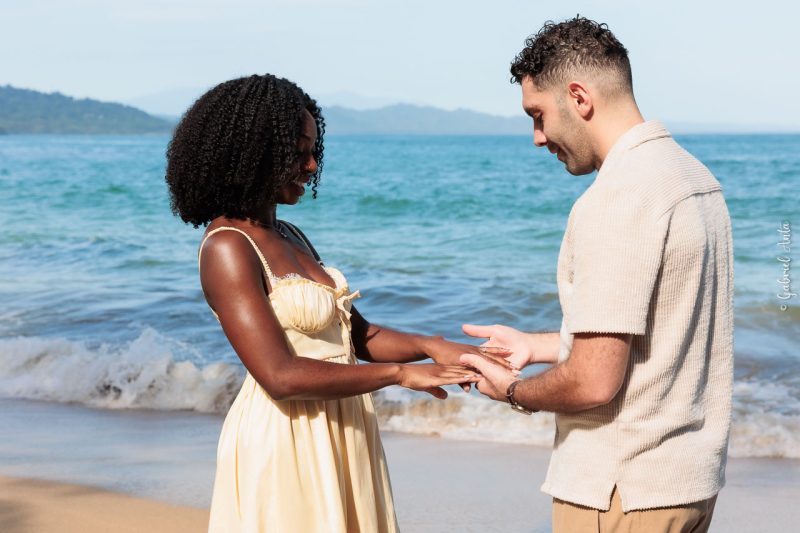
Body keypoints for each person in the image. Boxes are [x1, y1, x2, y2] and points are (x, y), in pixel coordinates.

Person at [164, 74, 494, 532]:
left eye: (313, 151)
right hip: (287, 437)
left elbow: (358, 336)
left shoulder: (289, 235)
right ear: (255, 152)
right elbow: (280, 376)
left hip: (343, 424)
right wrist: (400, 375)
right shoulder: (228, 247)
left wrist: (435, 345)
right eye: (298, 152)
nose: (312, 164)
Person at [459, 16, 733, 533]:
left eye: (538, 115)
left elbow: (592, 381)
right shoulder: (696, 180)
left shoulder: (616, 198)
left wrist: (512, 392)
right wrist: (538, 346)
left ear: (580, 97)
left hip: (620, 489)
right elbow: (658, 327)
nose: (537, 138)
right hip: (687, 486)